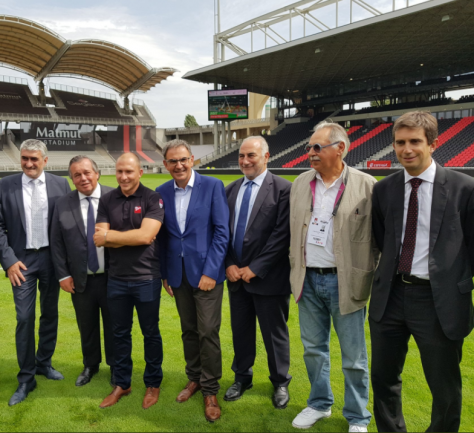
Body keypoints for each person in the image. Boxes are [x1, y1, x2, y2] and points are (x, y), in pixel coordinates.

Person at [370, 111, 474, 432]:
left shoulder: (464, 188)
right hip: (391, 297)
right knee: (384, 379)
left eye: (415, 141)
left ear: (433, 144)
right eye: (400, 142)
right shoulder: (384, 189)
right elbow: (380, 238)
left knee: (444, 388)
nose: (406, 149)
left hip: (437, 300)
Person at [289, 121, 377, 432]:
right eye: (309, 148)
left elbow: (379, 239)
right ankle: (319, 404)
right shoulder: (300, 183)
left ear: (340, 148)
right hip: (307, 281)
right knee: (314, 350)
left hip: (346, 282)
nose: (310, 153)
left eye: (317, 147)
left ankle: (357, 417)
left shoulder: (368, 185)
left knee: (354, 356)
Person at [0, 139, 71, 406]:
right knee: (25, 318)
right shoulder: (5, 185)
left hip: (51, 260)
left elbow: (68, 224)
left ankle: (43, 363)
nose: (28, 163)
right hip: (21, 262)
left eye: (34, 159)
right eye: (24, 158)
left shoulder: (60, 184)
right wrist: (9, 261)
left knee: (50, 314)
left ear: (45, 160)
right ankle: (26, 377)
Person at [156, 139, 229, 422]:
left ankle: (210, 390)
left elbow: (222, 232)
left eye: (183, 159)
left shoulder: (212, 186)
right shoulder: (161, 191)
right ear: (165, 165)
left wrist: (211, 271)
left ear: (193, 159)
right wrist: (164, 272)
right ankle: (194, 378)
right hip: (177, 274)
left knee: (208, 331)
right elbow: (162, 238)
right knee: (189, 330)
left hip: (207, 274)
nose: (179, 165)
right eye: (173, 161)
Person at [223, 136, 292, 409]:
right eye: (241, 156)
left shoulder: (284, 189)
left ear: (266, 156)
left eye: (251, 155)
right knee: (240, 331)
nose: (245, 161)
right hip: (236, 277)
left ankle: (280, 382)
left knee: (274, 334)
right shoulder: (230, 190)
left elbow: (281, 235)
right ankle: (242, 377)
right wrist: (229, 263)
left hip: (269, 278)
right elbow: (222, 233)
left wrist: (256, 267)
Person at [94, 153, 164, 410]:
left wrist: (113, 236)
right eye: (119, 171)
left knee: (150, 333)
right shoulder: (107, 199)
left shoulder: (152, 198)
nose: (123, 177)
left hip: (146, 277)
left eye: (129, 172)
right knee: (119, 333)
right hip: (117, 279)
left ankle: (153, 383)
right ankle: (122, 383)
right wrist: (126, 236)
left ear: (140, 172)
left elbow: (146, 236)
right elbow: (99, 237)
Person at [50, 156, 115, 387]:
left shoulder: (114, 197)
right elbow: (56, 243)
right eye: (77, 175)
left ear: (97, 173)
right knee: (86, 325)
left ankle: (116, 366)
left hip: (112, 278)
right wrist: (63, 275)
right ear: (72, 179)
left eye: (87, 172)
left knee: (114, 325)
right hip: (80, 280)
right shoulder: (62, 203)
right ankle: (90, 365)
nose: (83, 178)